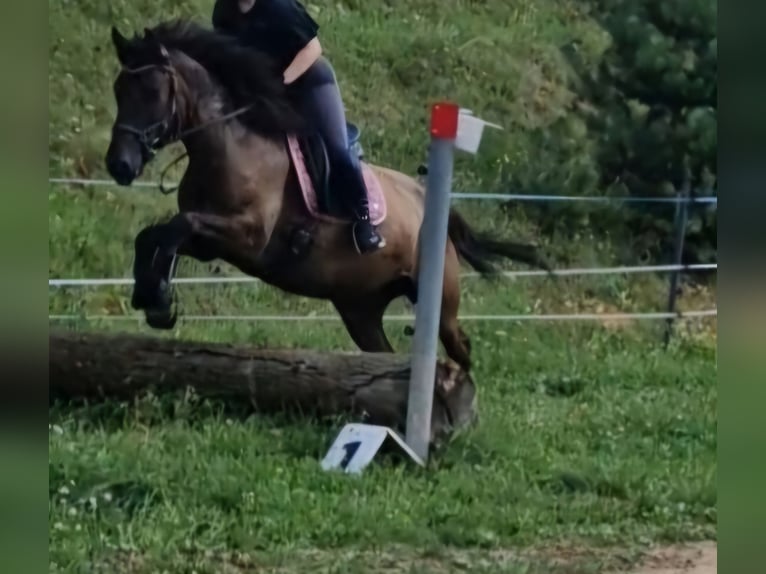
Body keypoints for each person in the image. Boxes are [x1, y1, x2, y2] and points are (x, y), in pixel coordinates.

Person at [212, 0, 386, 254]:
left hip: (308, 83)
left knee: (336, 150)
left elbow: (312, 49)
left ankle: (364, 222)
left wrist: (280, 82)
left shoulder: (279, 7)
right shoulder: (224, 10)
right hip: (264, 92)